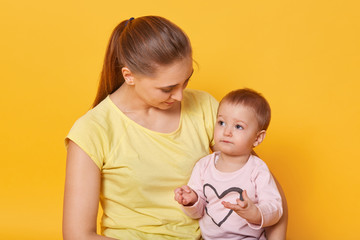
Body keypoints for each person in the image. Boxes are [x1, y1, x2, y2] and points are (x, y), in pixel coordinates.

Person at [63, 16, 287, 240]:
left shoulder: (205, 107)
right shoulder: (92, 130)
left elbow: (270, 195)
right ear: (129, 76)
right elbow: (77, 235)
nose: (180, 96)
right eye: (167, 88)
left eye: (186, 81)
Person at [174, 88, 283, 239]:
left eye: (238, 126)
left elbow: (275, 209)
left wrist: (256, 213)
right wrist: (192, 200)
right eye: (221, 122)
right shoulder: (203, 166)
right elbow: (197, 213)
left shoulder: (257, 170)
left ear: (257, 138)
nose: (226, 132)